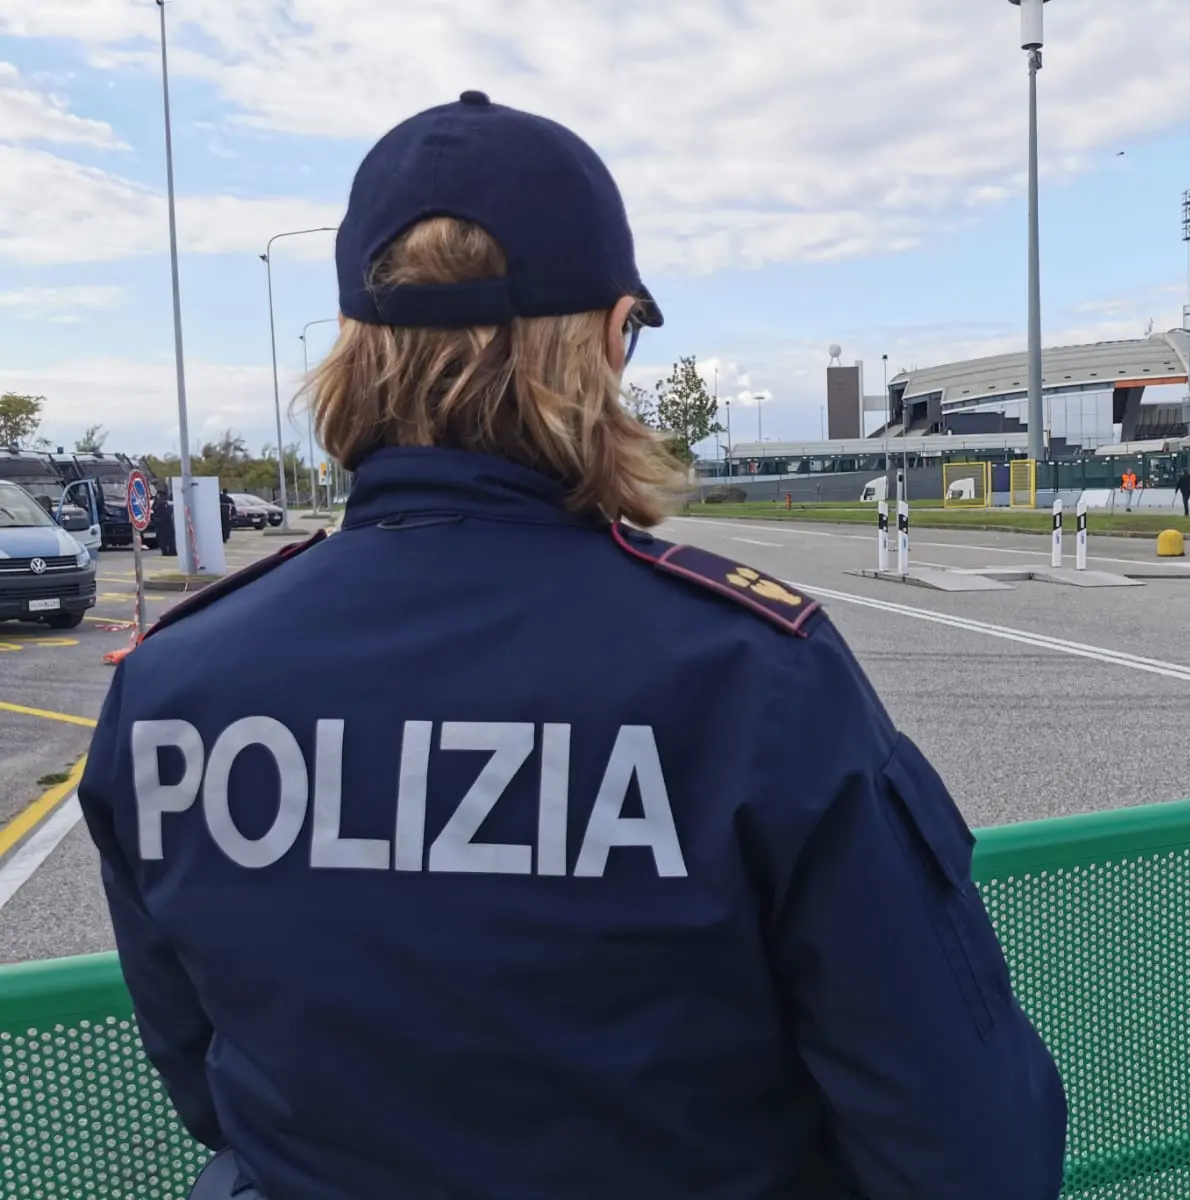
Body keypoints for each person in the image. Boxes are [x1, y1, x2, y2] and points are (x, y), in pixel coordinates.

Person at [78, 91, 1067, 1200]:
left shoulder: (171, 686)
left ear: (354, 349)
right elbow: (971, 1147)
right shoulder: (748, 677)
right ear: (603, 340)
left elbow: (209, 1082)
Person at [153, 487, 177, 557]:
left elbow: (168, 514)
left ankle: (170, 551)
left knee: (169, 540)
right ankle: (167, 552)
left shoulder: (166, 504)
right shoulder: (157, 504)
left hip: (166, 525)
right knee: (164, 541)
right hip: (161, 525)